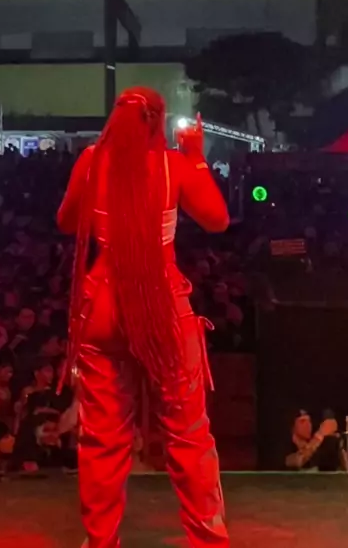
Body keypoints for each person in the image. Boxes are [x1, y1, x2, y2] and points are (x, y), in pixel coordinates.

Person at [57, 87, 230, 548]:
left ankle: (101, 541)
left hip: (101, 309)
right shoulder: (175, 166)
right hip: (163, 309)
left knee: (103, 438)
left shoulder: (92, 161)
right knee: (188, 434)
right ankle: (208, 542)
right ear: (159, 122)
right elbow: (217, 220)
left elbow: (68, 222)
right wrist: (196, 157)